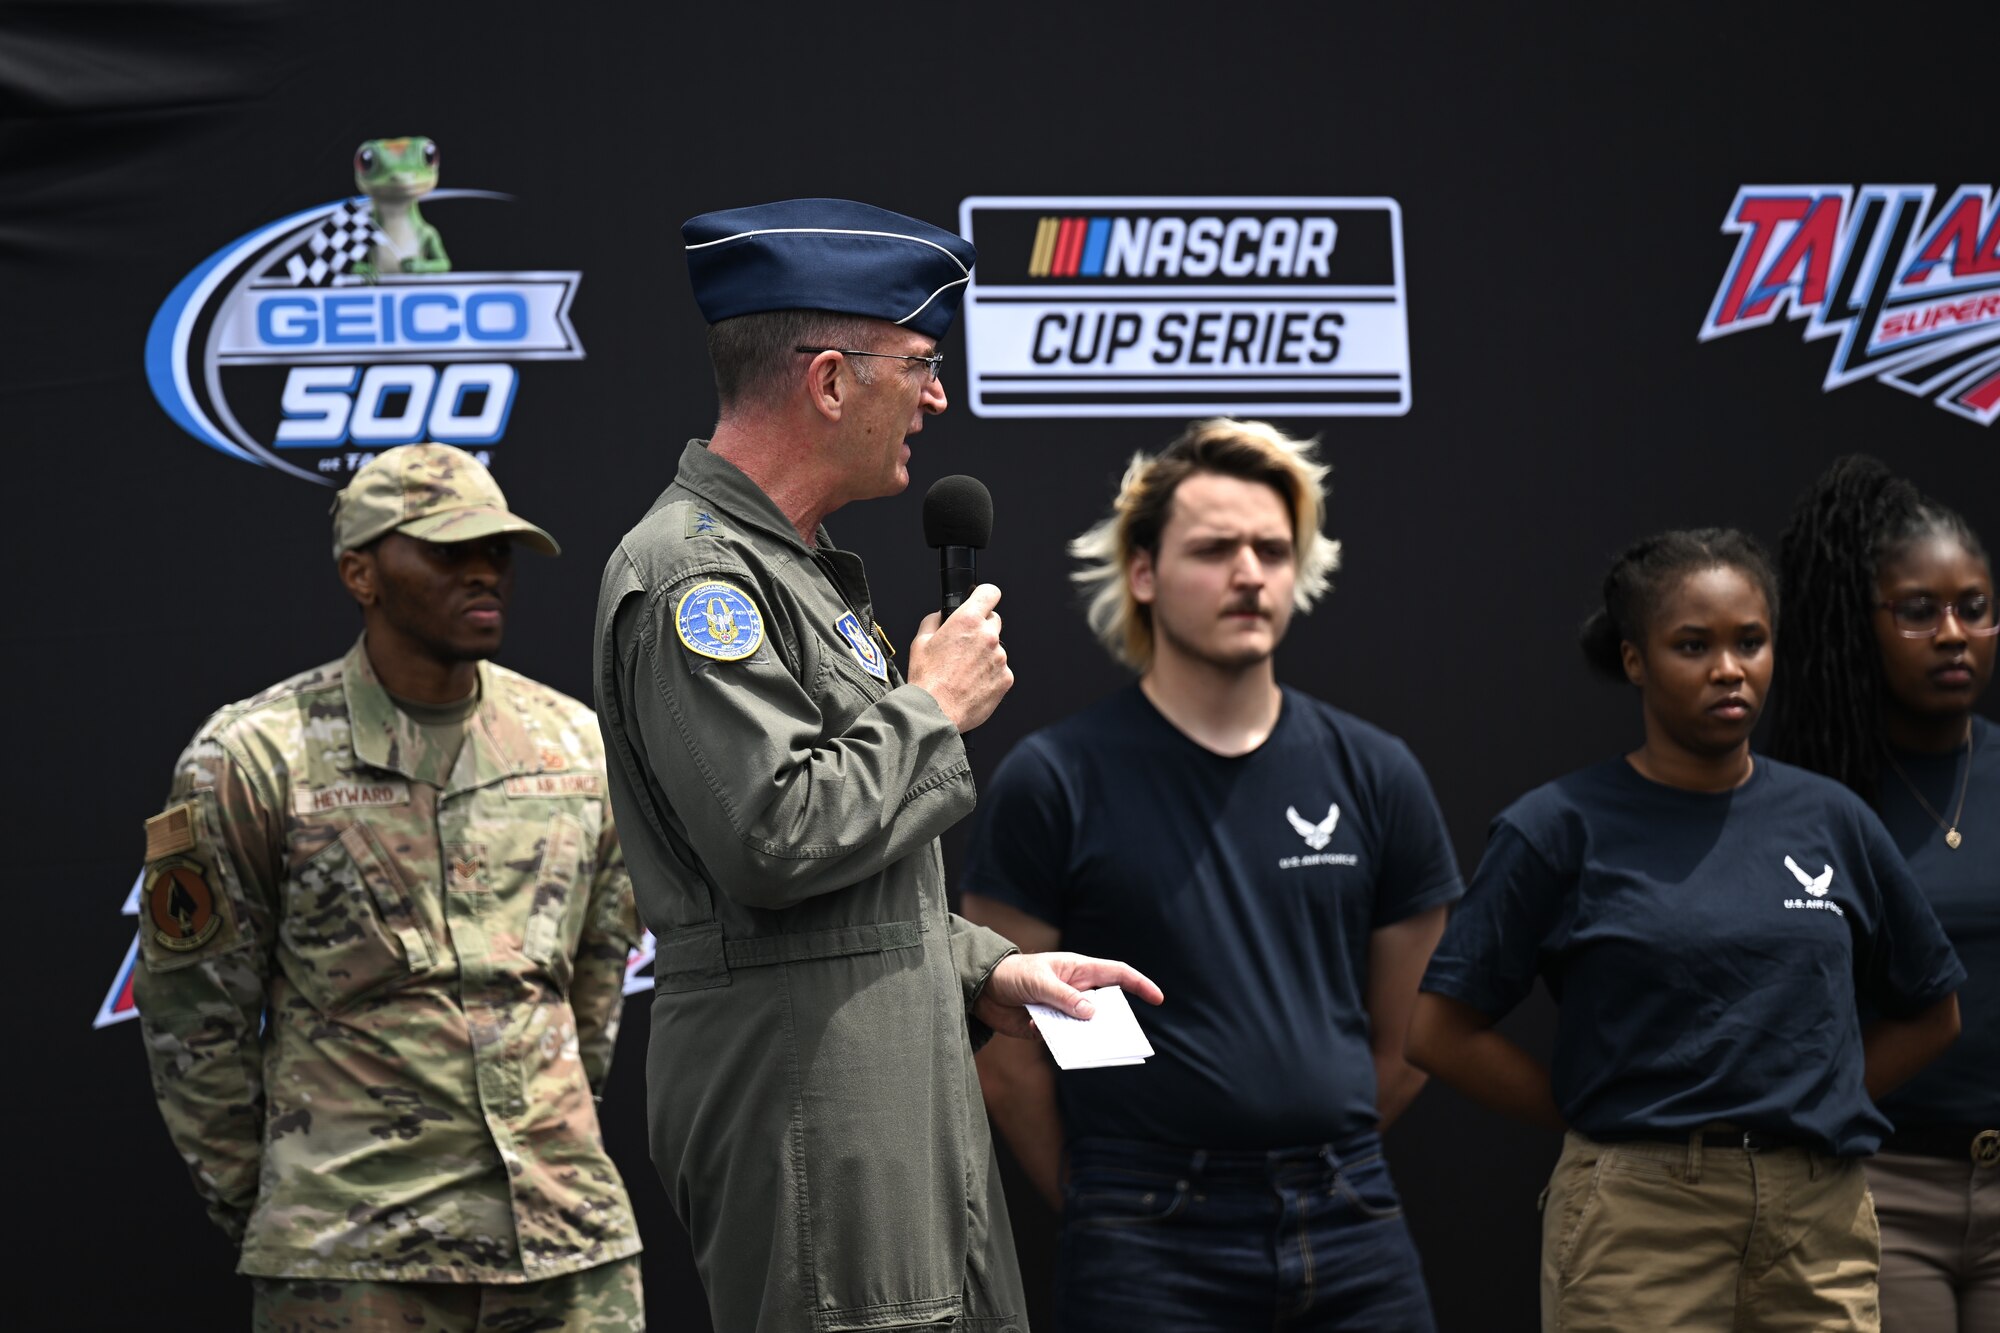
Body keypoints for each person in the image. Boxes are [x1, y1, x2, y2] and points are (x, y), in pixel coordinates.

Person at [591, 197, 1162, 1333]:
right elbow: (771, 838)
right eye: (920, 362)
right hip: (812, 1117)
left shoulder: (792, 570)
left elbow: (842, 897)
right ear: (831, 382)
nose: (938, 396)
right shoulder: (692, 579)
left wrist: (988, 972)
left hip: (887, 1102)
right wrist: (932, 707)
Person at [958, 418, 1462, 1332]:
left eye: (1273, 548)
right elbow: (1007, 1051)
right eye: (1214, 548)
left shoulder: (1377, 771)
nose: (1249, 572)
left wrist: (1309, 1153)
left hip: (1351, 1216)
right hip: (1143, 1226)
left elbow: (1413, 1034)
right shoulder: (1056, 778)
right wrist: (1113, 1202)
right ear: (1143, 573)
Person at [134, 444, 645, 1332]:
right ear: (361, 573)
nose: (484, 571)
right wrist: (280, 1208)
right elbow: (192, 1019)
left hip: (568, 1251)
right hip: (353, 1260)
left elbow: (596, 979)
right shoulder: (254, 757)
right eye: (447, 552)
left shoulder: (576, 747)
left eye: (497, 550)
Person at [1408, 527, 1966, 1333]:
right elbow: (1437, 1030)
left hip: (1819, 1220)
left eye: (1751, 641)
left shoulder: (1833, 818)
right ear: (1636, 659)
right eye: (1693, 645)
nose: (1729, 668)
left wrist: (1809, 1101)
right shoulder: (1557, 825)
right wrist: (1603, 1123)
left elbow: (1932, 1008)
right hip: (1639, 1221)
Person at [1771, 455, 1999, 1332]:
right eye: (1918, 611)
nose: (1952, 633)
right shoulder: (1810, 797)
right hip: (1880, 1191)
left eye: (1973, 608)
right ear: (1855, 625)